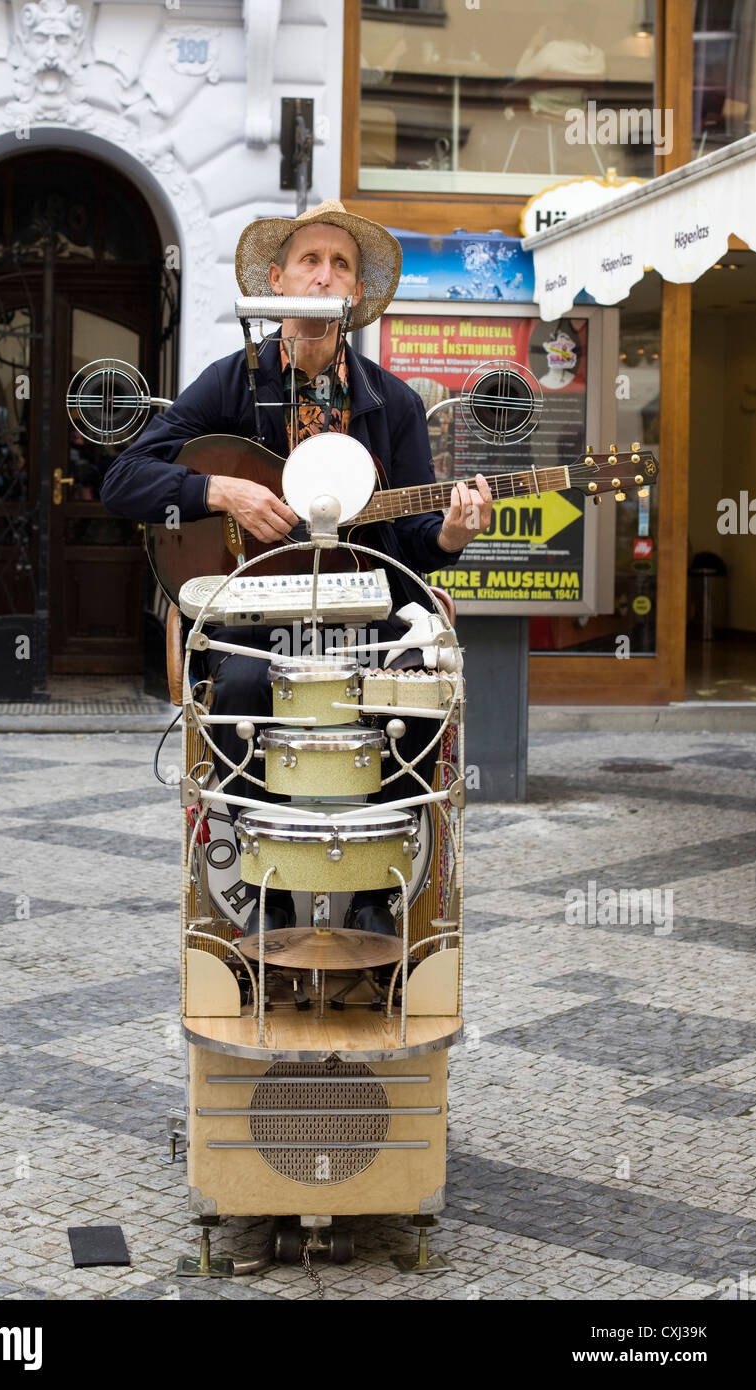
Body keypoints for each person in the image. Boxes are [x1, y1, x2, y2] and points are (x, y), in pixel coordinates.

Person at [100, 199, 492, 935]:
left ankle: (377, 890)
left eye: (340, 265)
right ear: (277, 279)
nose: (323, 276)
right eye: (309, 261)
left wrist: (447, 535)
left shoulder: (392, 403)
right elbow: (123, 481)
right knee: (245, 693)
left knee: (413, 699)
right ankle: (269, 887)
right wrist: (220, 490)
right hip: (256, 614)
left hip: (362, 615)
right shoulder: (230, 384)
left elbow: (406, 547)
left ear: (354, 295)